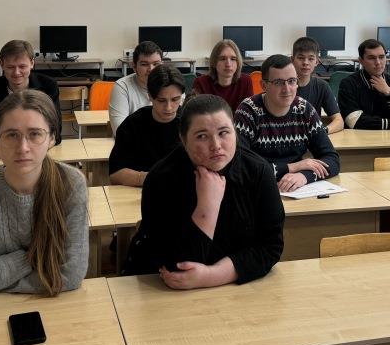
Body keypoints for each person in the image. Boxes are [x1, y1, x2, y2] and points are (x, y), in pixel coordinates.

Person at [121, 94, 284, 289]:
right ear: (183, 140)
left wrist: (212, 275)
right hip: (160, 289)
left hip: (234, 287)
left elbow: (270, 247)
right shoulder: (161, 178)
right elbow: (176, 269)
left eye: (224, 133)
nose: (216, 146)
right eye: (202, 136)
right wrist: (206, 209)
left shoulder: (259, 171)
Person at [0, 90, 88, 296]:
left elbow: (70, 275)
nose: (23, 148)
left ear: (52, 138)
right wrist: (32, 257)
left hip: (52, 306)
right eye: (12, 135)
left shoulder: (71, 183)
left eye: (35, 134)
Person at [234, 54, 341, 192]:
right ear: (264, 85)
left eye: (291, 81)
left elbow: (332, 160)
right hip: (256, 190)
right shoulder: (247, 112)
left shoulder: (305, 110)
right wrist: (294, 167)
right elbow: (241, 167)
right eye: (278, 82)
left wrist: (304, 176)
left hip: (295, 190)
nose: (287, 89)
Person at [0, 40, 60, 156]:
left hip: (38, 151)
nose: (16, 72)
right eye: (10, 67)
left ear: (32, 63)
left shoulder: (49, 86)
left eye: (22, 66)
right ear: (2, 64)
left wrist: (34, 150)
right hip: (2, 152)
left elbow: (56, 131)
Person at [109, 64, 185, 187]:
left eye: (175, 99)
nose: (169, 107)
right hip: (139, 191)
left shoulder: (191, 123)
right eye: (161, 100)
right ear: (149, 96)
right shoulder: (132, 125)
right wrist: (150, 178)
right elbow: (115, 174)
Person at [338, 39, 390, 130]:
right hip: (360, 137)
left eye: (381, 57)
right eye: (371, 58)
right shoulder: (348, 84)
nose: (378, 62)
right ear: (361, 61)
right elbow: (354, 121)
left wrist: (389, 92)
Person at [291, 36, 343, 133]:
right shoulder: (284, 86)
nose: (305, 63)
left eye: (311, 59)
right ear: (292, 60)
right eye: (301, 58)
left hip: (313, 136)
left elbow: (339, 121)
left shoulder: (322, 86)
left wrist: (321, 132)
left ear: (317, 62)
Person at [110, 41, 163, 132]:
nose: (151, 69)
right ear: (134, 67)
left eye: (156, 64)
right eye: (144, 64)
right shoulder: (122, 87)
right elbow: (120, 131)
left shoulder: (172, 85)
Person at [191, 39, 253, 111]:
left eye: (233, 59)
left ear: (238, 62)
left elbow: (249, 113)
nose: (228, 64)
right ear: (214, 62)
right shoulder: (201, 83)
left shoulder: (246, 81)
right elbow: (196, 114)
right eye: (223, 59)